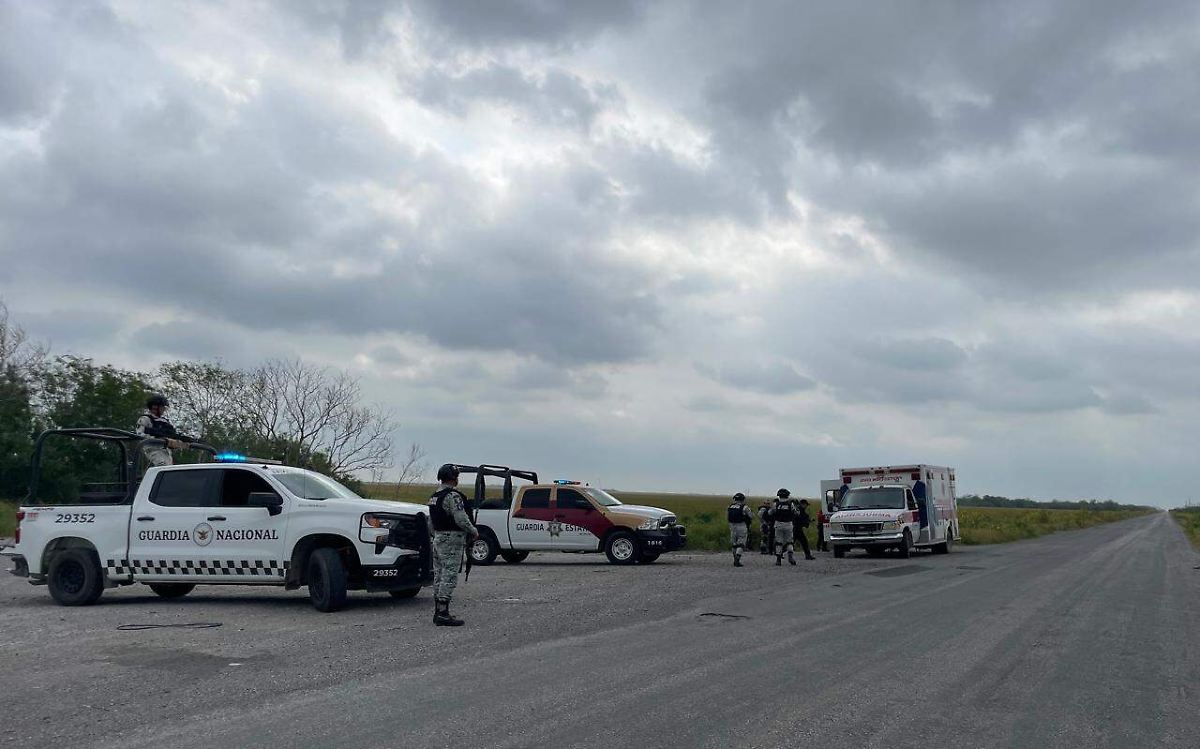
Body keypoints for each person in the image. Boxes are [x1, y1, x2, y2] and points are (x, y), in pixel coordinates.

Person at [428, 464, 479, 627]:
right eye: (456, 476)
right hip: (451, 539)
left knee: (439, 574)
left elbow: (431, 522)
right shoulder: (453, 496)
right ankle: (443, 613)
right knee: (449, 574)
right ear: (453, 478)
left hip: (438, 538)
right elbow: (460, 518)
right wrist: (473, 531)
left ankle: (438, 611)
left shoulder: (434, 496)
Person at [134, 395, 196, 467]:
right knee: (162, 467)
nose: (163, 409)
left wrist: (180, 441)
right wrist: (158, 439)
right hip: (153, 450)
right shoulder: (145, 419)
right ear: (155, 407)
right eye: (162, 407)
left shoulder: (165, 421)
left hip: (166, 451)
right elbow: (140, 435)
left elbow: (172, 435)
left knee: (169, 469)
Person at [771, 488, 799, 566]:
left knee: (778, 542)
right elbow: (796, 513)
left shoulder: (776, 504)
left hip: (778, 524)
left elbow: (770, 513)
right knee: (789, 541)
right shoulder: (790, 504)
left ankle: (778, 559)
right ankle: (790, 556)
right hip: (788, 524)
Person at [726, 493, 753, 567]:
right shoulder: (745, 507)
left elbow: (727, 516)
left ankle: (735, 558)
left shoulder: (730, 506)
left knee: (734, 544)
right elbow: (751, 516)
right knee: (741, 543)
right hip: (741, 525)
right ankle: (737, 558)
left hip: (732, 526)